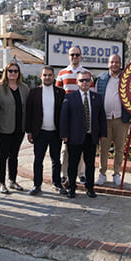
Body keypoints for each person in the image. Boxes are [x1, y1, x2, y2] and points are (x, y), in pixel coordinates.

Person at [60, 71, 107, 199]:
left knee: (90, 164)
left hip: (91, 137)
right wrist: (64, 134)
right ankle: (72, 188)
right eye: (81, 80)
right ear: (77, 82)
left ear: (90, 81)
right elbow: (64, 118)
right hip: (74, 137)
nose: (84, 82)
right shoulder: (70, 97)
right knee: (73, 164)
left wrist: (103, 133)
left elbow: (101, 117)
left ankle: (90, 188)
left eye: (87, 80)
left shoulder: (97, 97)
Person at [26, 66, 67, 195]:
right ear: (41, 76)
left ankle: (57, 184)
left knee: (56, 160)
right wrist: (29, 131)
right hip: (40, 133)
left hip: (55, 132)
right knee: (38, 160)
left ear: (53, 77)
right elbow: (29, 113)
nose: (47, 77)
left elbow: (64, 114)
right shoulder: (34, 92)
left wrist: (64, 132)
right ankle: (37, 185)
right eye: (45, 75)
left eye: (50, 75)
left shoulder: (60, 92)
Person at [56, 46, 91, 186]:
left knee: (82, 146)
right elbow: (58, 94)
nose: (75, 57)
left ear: (80, 56)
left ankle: (81, 174)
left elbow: (91, 93)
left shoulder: (87, 73)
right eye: (72, 55)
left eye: (77, 55)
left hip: (83, 115)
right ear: (68, 56)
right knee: (65, 149)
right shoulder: (62, 73)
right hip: (67, 115)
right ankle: (63, 174)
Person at [95, 54, 131, 186]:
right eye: (112, 62)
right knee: (103, 148)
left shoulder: (127, 79)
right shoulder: (101, 78)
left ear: (120, 64)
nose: (114, 64)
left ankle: (117, 173)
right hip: (104, 119)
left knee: (119, 148)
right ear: (108, 64)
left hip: (121, 119)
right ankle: (102, 174)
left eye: (117, 62)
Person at [0, 62, 30, 193]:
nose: (13, 73)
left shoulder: (24, 88)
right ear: (6, 72)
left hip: (19, 128)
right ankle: (1, 182)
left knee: (14, 155)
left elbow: (28, 108)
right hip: (3, 129)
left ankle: (12, 180)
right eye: (10, 71)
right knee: (2, 156)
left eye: (15, 71)